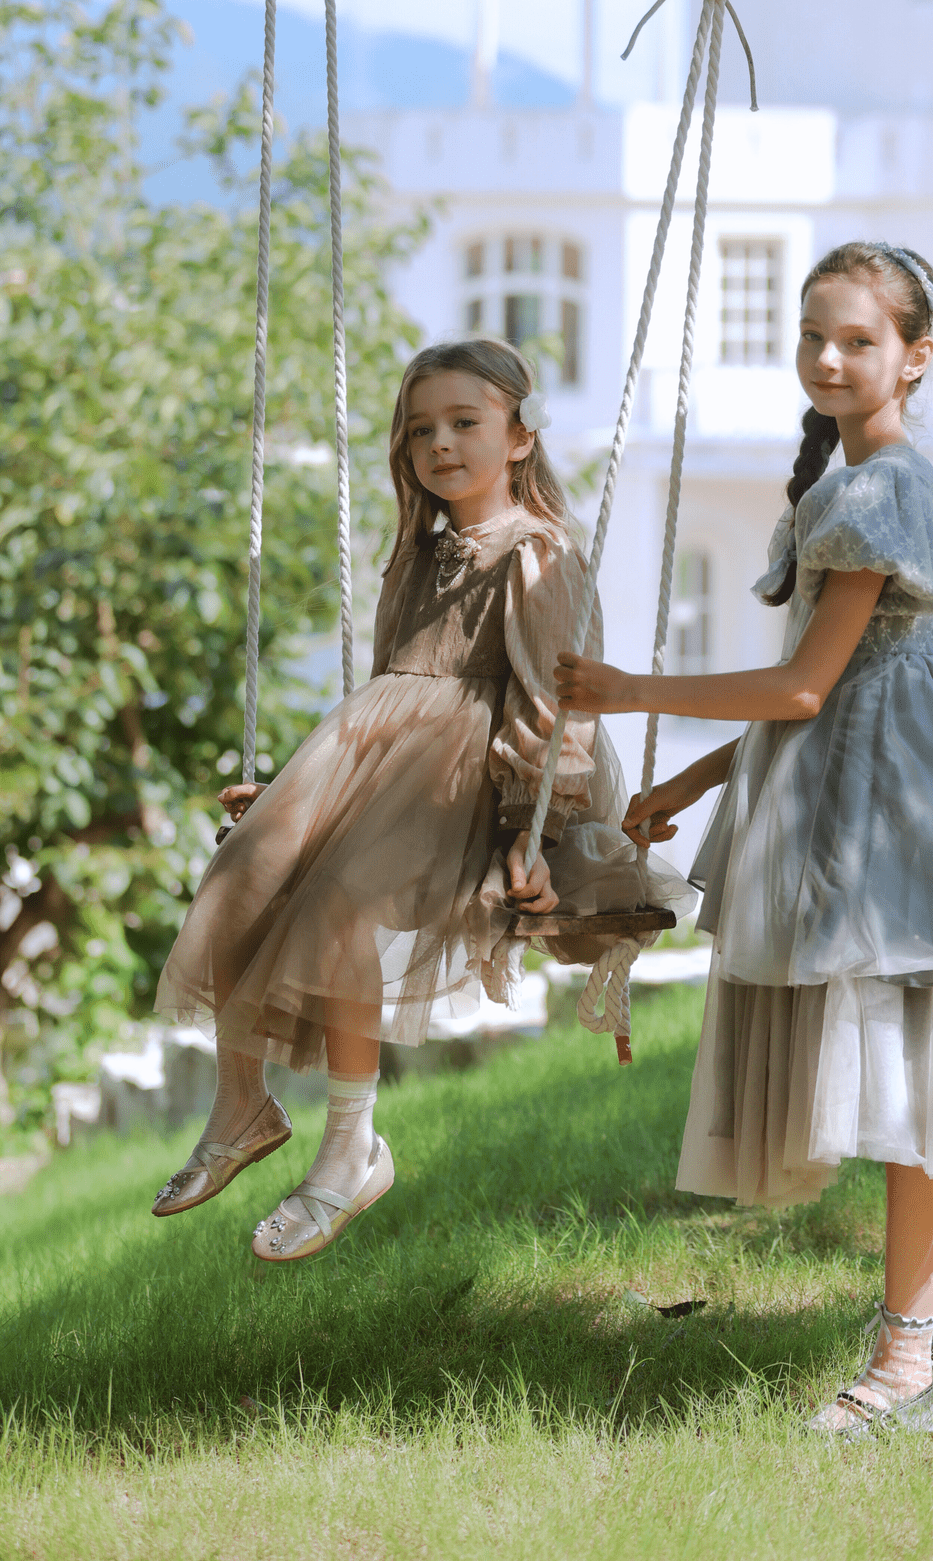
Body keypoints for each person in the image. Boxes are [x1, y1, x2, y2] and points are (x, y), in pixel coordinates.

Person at [556, 242, 933, 1435]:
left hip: (899, 821)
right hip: (869, 782)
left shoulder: (884, 487)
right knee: (927, 1055)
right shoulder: (846, 484)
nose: (829, 358)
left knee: (915, 1079)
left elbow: (805, 690)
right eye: (813, 336)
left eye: (857, 339)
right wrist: (690, 771)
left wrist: (634, 688)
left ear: (915, 354)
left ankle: (905, 1368)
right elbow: (833, 693)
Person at [154, 337, 682, 1261]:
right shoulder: (419, 552)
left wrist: (535, 830)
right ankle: (242, 1105)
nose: (439, 444)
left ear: (519, 437)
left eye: (464, 423)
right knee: (242, 871)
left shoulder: (537, 552)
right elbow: (385, 700)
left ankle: (353, 1145)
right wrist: (297, 792)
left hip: (469, 783)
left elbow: (554, 706)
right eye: (420, 431)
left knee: (343, 908)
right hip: (382, 765)